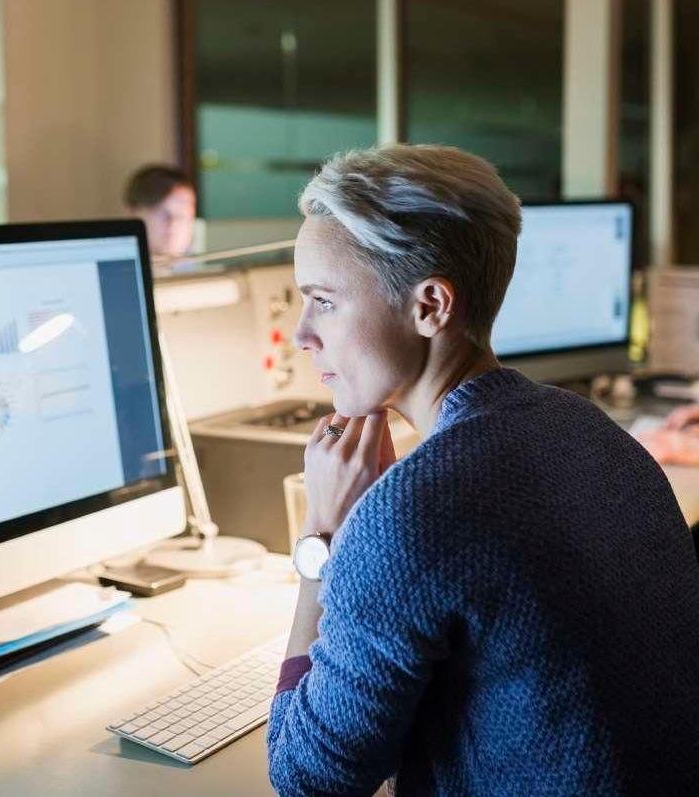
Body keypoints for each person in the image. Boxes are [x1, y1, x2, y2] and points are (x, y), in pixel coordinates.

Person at [267, 144, 699, 796]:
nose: (302, 333)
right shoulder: (596, 433)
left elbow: (304, 776)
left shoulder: (407, 514)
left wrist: (324, 536)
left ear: (432, 305)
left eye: (323, 300)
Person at [122, 164, 197, 259]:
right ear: (132, 214)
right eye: (161, 213)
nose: (172, 223)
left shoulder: (201, 268)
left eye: (181, 215)